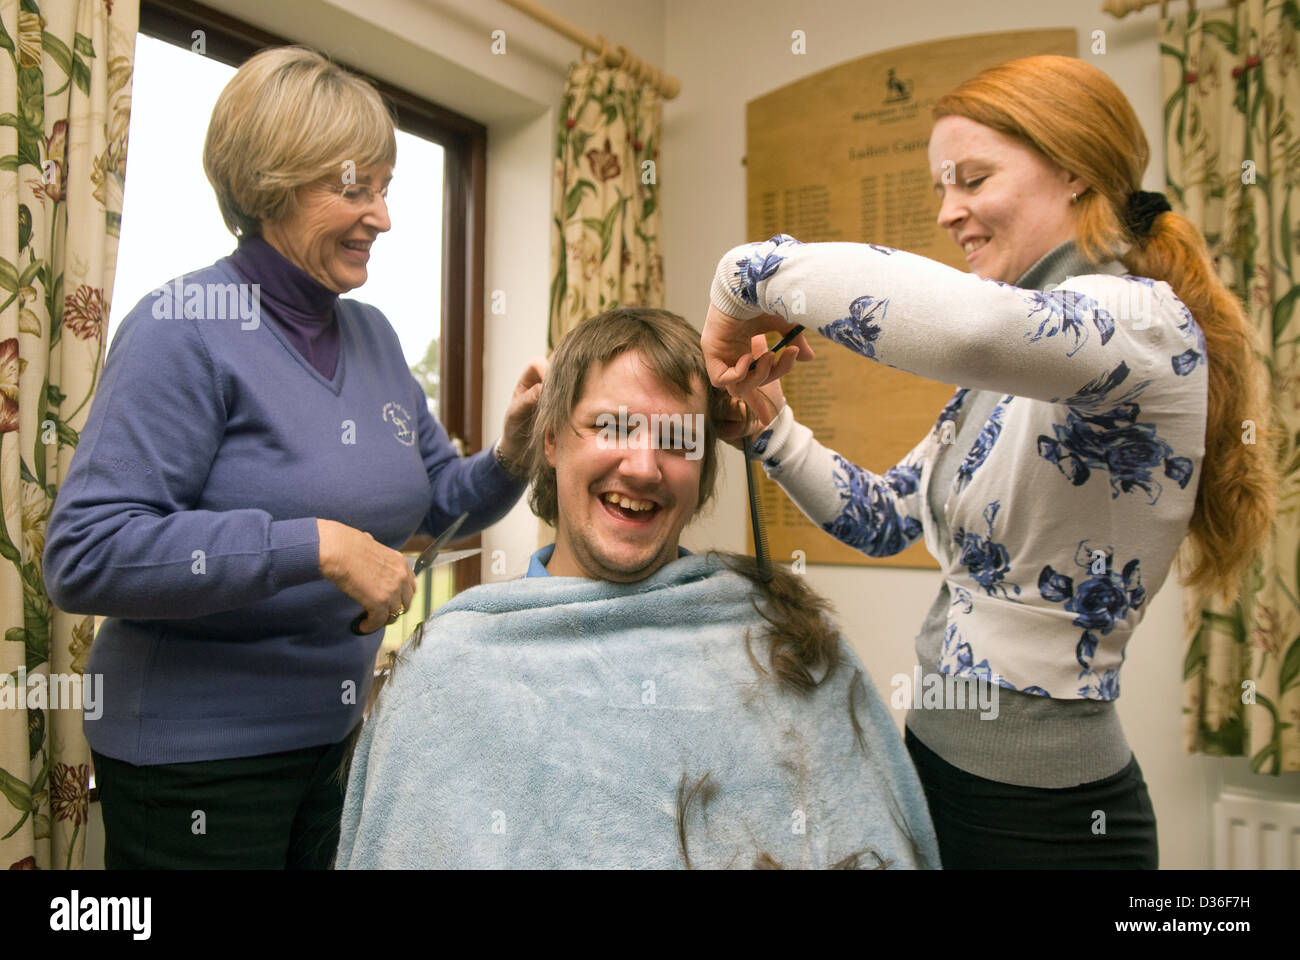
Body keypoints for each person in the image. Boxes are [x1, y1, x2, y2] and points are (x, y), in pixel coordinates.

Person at [701, 55, 1276, 869]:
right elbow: (879, 518)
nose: (947, 211)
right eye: (940, 186)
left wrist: (741, 278)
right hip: (943, 771)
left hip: (1041, 823)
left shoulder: (1140, 325)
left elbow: (969, 329)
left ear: (1074, 168)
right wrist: (771, 429)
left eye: (971, 179)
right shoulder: (1018, 374)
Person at [41, 46, 546, 869]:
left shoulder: (374, 336)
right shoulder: (184, 328)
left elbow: (434, 504)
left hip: (338, 737)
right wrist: (320, 545)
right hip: (195, 762)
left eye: (386, 189)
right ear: (270, 187)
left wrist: (514, 453)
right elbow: (85, 556)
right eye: (354, 189)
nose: (382, 216)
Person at [335, 307, 941, 869]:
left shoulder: (782, 641)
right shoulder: (454, 668)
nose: (644, 467)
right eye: (610, 427)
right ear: (550, 441)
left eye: (678, 439)